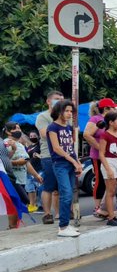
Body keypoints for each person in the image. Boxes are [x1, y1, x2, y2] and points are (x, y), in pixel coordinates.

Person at [47, 100, 83, 237]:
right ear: (59, 111)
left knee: (70, 193)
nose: (69, 114)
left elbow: (71, 148)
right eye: (66, 111)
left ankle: (66, 225)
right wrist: (73, 161)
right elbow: (57, 148)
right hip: (60, 164)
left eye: (70, 111)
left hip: (70, 163)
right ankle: (63, 227)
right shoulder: (52, 127)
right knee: (66, 194)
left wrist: (77, 162)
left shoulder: (68, 128)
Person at [83, 98, 117, 218]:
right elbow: (87, 135)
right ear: (107, 108)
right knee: (100, 181)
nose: (115, 109)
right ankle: (97, 207)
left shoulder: (112, 119)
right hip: (98, 156)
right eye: (113, 107)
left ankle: (107, 206)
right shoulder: (96, 119)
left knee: (112, 181)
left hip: (112, 155)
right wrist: (100, 147)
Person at [35, 90, 64, 225]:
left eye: (62, 98)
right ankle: (47, 214)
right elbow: (43, 134)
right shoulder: (43, 116)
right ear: (48, 101)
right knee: (49, 186)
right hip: (49, 156)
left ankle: (60, 213)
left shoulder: (66, 116)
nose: (60, 101)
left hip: (65, 155)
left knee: (62, 187)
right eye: (57, 98)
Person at [25, 130, 42, 212]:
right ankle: (32, 204)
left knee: (40, 187)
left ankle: (41, 204)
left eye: (34, 136)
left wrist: (38, 155)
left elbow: (42, 155)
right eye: (31, 136)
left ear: (38, 136)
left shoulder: (40, 145)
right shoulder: (29, 147)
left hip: (39, 169)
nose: (32, 137)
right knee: (30, 188)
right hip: (30, 169)